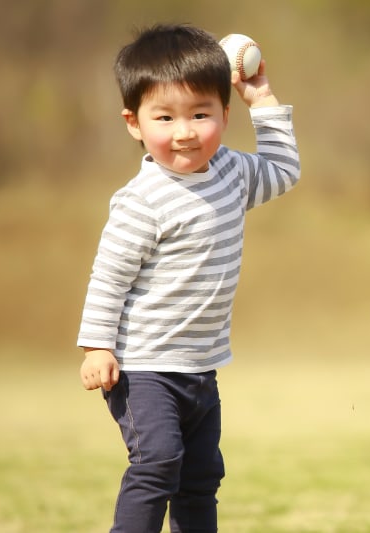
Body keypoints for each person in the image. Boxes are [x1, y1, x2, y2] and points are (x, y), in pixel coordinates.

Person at [76, 23, 300, 532]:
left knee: (200, 478)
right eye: (165, 117)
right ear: (134, 123)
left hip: (200, 364)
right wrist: (96, 346)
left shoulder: (231, 172)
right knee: (157, 463)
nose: (185, 131)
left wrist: (261, 99)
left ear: (225, 113)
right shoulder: (142, 201)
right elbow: (109, 278)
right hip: (143, 367)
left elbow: (283, 171)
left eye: (201, 114)